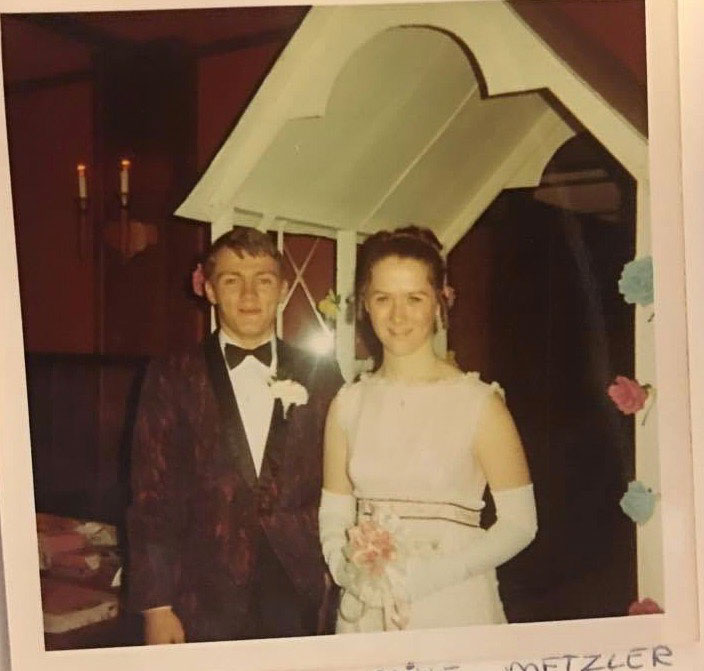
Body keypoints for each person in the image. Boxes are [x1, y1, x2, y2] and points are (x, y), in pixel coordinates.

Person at [127, 227, 343, 644]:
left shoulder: (321, 373)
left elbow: (341, 480)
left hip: (298, 585)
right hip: (203, 590)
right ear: (209, 289)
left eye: (263, 280)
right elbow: (151, 495)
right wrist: (156, 607)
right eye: (231, 280)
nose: (249, 295)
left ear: (282, 290)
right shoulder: (172, 375)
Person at [318, 226, 537, 632]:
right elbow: (335, 510)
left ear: (440, 301)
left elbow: (520, 524)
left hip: (452, 603)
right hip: (367, 606)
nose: (397, 316)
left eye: (414, 299)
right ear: (365, 304)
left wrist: (427, 579)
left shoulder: (480, 404)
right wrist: (345, 567)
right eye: (383, 298)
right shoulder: (348, 403)